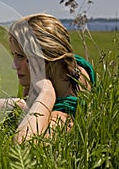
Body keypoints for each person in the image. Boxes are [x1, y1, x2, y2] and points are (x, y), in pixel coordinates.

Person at [7, 13, 95, 143]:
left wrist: (46, 93)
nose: (14, 66)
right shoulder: (75, 67)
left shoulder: (65, 115)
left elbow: (24, 145)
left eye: (20, 56)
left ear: (45, 59)